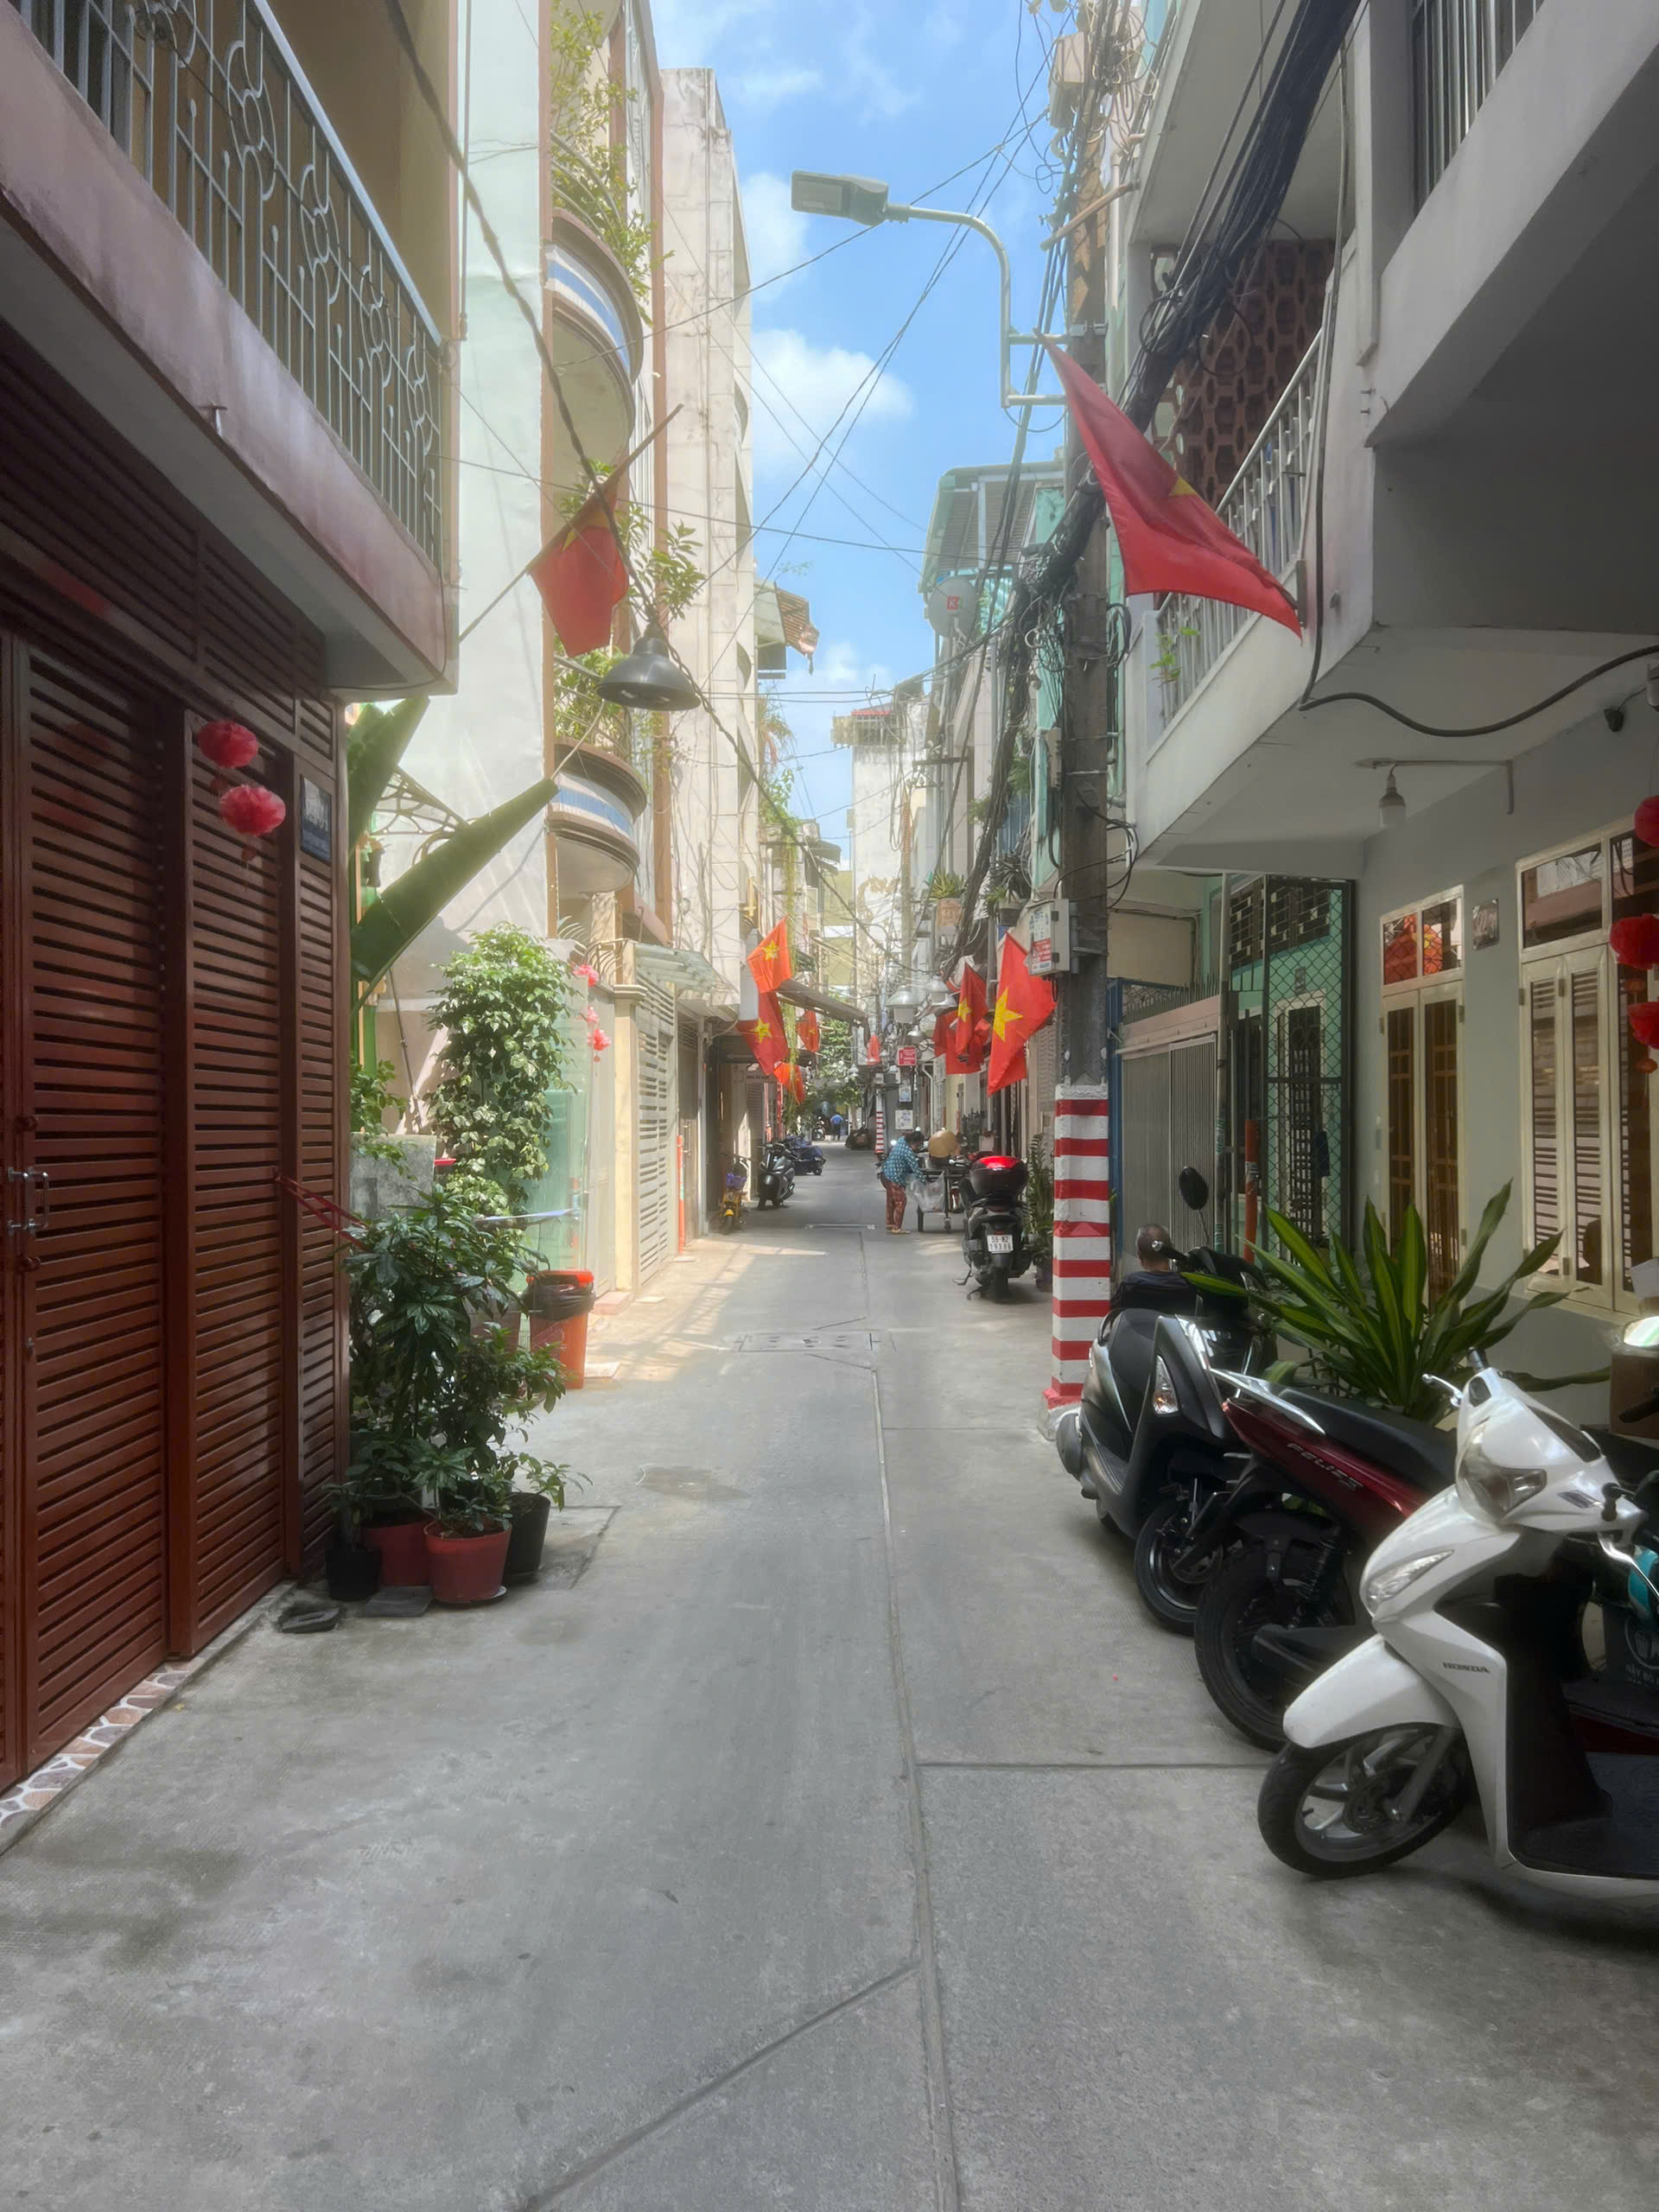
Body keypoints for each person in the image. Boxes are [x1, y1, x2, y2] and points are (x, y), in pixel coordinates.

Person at [878, 1127, 923, 1234]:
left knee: (891, 1200)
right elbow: (916, 1170)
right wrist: (926, 1182)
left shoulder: (902, 1140)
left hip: (886, 1174)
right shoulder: (908, 1153)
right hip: (895, 1178)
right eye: (919, 1144)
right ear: (914, 1142)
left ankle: (890, 1223)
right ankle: (897, 1228)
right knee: (901, 1201)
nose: (919, 1146)